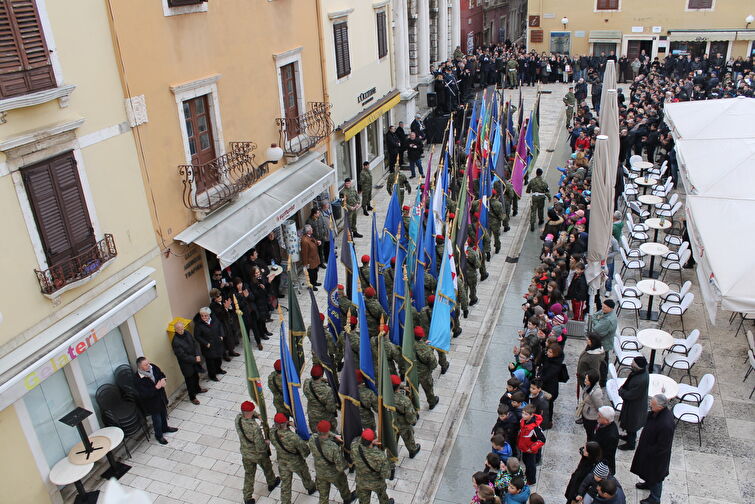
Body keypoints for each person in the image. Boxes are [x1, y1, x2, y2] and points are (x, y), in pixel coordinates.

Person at [631, 394, 675, 504]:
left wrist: (648, 451)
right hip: (648, 451)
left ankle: (655, 499)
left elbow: (662, 447)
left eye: (653, 404)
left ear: (660, 406)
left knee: (656, 477)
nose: (650, 405)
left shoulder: (666, 424)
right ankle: (648, 483)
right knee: (648, 472)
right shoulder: (657, 413)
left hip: (656, 457)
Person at [236, 401, 280, 504]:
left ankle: (247, 497)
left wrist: (257, 415)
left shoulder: (238, 418)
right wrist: (267, 444)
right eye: (252, 411)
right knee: (267, 467)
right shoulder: (254, 428)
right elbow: (260, 447)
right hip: (257, 454)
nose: (253, 412)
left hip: (246, 453)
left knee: (249, 475)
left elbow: (248, 413)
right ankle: (272, 483)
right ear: (249, 412)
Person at [270, 413, 316, 502]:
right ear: (285, 422)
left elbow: (274, 427)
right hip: (296, 463)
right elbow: (306, 451)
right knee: (305, 476)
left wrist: (285, 423)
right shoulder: (294, 437)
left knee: (285, 485)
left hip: (282, 462)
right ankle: (311, 488)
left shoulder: (272, 433)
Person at [308, 420, 355, 504]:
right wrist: (348, 464)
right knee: (343, 485)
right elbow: (340, 466)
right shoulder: (333, 447)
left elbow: (323, 433)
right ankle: (347, 499)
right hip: (334, 474)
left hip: (320, 472)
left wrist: (334, 435)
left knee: (323, 495)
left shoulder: (312, 439)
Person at [135, 357, 177, 444]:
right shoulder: (137, 379)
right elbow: (144, 394)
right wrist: (156, 388)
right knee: (157, 419)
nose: (149, 365)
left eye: (148, 363)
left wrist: (163, 379)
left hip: (161, 397)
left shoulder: (153, 367)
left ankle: (165, 428)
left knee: (163, 414)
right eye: (146, 365)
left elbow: (161, 374)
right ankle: (159, 435)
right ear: (140, 367)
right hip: (152, 403)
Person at [351, 428, 394, 504]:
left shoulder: (354, 446)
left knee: (363, 501)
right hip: (377, 484)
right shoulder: (379, 456)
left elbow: (352, 457)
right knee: (383, 497)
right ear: (373, 441)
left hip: (361, 481)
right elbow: (386, 475)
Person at [617, 356, 649, 450]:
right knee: (630, 424)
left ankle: (631, 444)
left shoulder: (641, 380)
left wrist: (621, 392)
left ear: (638, 366)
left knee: (632, 425)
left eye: (633, 363)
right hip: (633, 404)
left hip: (635, 407)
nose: (631, 364)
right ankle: (629, 437)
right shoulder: (640, 372)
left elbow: (631, 395)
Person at [170, 321, 206, 405]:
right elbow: (182, 356)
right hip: (186, 365)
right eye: (179, 329)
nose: (182, 330)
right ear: (175, 330)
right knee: (189, 381)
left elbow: (194, 343)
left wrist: (197, 354)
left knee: (196, 376)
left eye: (182, 328)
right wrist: (194, 359)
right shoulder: (175, 341)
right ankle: (192, 397)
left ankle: (198, 389)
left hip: (194, 360)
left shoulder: (187, 333)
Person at [193, 306, 226, 381]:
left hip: (217, 343)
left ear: (209, 314)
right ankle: (212, 375)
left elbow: (220, 326)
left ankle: (218, 369)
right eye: (202, 315)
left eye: (205, 315)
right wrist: (206, 343)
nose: (204, 317)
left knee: (218, 358)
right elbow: (197, 336)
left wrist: (221, 335)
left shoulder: (214, 319)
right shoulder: (198, 324)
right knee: (210, 362)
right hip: (208, 346)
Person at [392, 375, 421, 457]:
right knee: (408, 437)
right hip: (402, 423)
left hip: (390, 422)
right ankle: (412, 450)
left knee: (392, 443)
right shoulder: (404, 400)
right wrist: (414, 421)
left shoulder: (383, 396)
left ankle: (391, 465)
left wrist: (402, 387)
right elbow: (410, 417)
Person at [303, 364, 337, 433]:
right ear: (321, 375)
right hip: (325, 417)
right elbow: (331, 408)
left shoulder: (306, 382)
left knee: (315, 433)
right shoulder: (327, 391)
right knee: (328, 433)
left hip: (312, 414)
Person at [516, 404, 545, 485]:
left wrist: (532, 448)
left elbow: (542, 440)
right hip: (524, 447)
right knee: (525, 461)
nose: (523, 415)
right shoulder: (523, 421)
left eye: (526, 414)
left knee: (531, 465)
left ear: (531, 415)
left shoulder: (535, 427)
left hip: (530, 450)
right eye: (523, 413)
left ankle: (531, 480)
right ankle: (527, 474)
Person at [414, 326, 440, 409]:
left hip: (412, 371)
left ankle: (414, 406)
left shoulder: (408, 343)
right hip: (423, 373)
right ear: (422, 336)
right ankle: (432, 402)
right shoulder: (425, 348)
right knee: (428, 388)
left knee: (413, 390)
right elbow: (434, 363)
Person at [594, 406, 620, 475]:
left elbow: (607, 455)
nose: (597, 417)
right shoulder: (603, 424)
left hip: (602, 466)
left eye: (599, 416)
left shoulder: (611, 436)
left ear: (606, 420)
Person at [579, 369, 603, 441]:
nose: (585, 381)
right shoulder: (588, 386)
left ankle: (590, 447)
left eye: (587, 379)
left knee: (590, 434)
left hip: (591, 417)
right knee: (588, 432)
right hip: (586, 413)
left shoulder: (596, 393)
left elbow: (599, 407)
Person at [301, 224, 321, 289]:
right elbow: (304, 253)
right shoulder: (304, 241)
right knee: (311, 274)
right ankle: (311, 286)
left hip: (314, 259)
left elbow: (313, 241)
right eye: (311, 229)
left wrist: (317, 242)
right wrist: (306, 264)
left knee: (315, 272)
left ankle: (315, 282)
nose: (312, 229)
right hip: (310, 261)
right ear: (308, 231)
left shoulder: (310, 236)